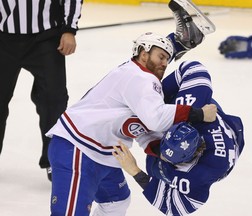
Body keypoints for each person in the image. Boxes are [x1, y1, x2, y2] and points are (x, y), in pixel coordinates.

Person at [45, 1, 217, 215]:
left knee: (117, 203)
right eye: (161, 57)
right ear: (143, 54)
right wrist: (198, 114)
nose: (165, 63)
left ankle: (181, 41)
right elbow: (155, 119)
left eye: (167, 57)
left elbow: (143, 128)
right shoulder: (141, 78)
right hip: (77, 149)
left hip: (103, 152)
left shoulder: (142, 82)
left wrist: (161, 151)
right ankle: (181, 41)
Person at [112, 60, 245, 216]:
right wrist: (153, 99)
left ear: (185, 161)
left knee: (154, 168)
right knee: (162, 111)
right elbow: (193, 67)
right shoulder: (197, 107)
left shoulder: (198, 177)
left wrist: (135, 171)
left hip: (224, 149)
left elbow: (173, 207)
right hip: (210, 121)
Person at [0, 0, 83, 181]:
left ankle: (54, 160)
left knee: (54, 100)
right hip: (3, 37)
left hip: (46, 37)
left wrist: (69, 29)